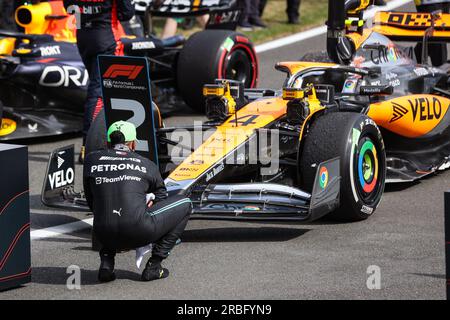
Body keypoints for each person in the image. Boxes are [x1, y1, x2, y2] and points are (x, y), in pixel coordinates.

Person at [83, 121, 192, 283]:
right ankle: (154, 265)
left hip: (102, 233)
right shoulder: (147, 164)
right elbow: (161, 196)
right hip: (139, 232)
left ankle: (107, 262)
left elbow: (91, 200)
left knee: (105, 206)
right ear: (132, 143)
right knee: (186, 203)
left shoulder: (91, 160)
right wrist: (147, 203)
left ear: (107, 142)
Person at [63, 0, 135, 163]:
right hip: (106, 40)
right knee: (99, 94)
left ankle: (112, 140)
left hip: (84, 39)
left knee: (103, 91)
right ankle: (89, 146)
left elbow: (69, 8)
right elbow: (127, 14)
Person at [414, 0, 450, 66]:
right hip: (428, 2)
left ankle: (411, 63)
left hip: (444, 2)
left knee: (436, 36)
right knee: (436, 39)